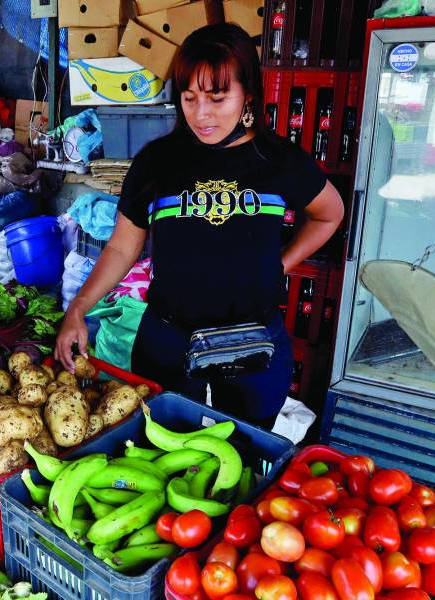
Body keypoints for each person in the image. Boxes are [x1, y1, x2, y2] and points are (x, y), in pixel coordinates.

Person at [54, 23, 344, 428]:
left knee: (245, 448)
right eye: (189, 98)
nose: (201, 114)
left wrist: (281, 263)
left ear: (248, 94)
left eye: (217, 98)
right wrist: (78, 308)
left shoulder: (280, 161)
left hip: (253, 340)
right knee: (162, 441)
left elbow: (329, 213)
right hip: (168, 337)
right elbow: (121, 247)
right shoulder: (157, 162)